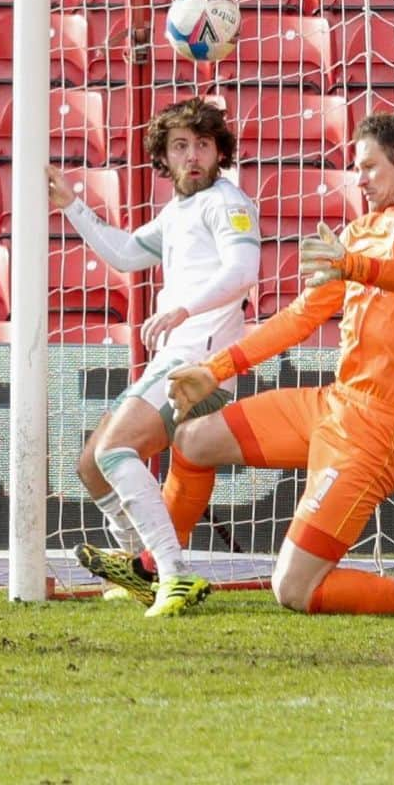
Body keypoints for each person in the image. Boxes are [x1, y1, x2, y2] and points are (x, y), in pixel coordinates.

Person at [93, 111, 394, 617]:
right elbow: (298, 319)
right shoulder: (358, 231)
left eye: (370, 168)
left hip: (379, 426)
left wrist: (352, 264)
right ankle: (158, 572)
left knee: (293, 589)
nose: (359, 179)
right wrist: (214, 370)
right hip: (333, 403)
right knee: (193, 439)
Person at [54, 96, 260, 608]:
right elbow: (125, 252)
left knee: (113, 452)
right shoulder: (177, 211)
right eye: (180, 146)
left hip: (201, 363)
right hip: (177, 356)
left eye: (203, 145)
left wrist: (183, 310)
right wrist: (72, 206)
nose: (193, 156)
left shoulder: (226, 203)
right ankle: (140, 571)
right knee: (92, 465)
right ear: (163, 158)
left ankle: (172, 570)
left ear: (220, 152)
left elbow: (241, 272)